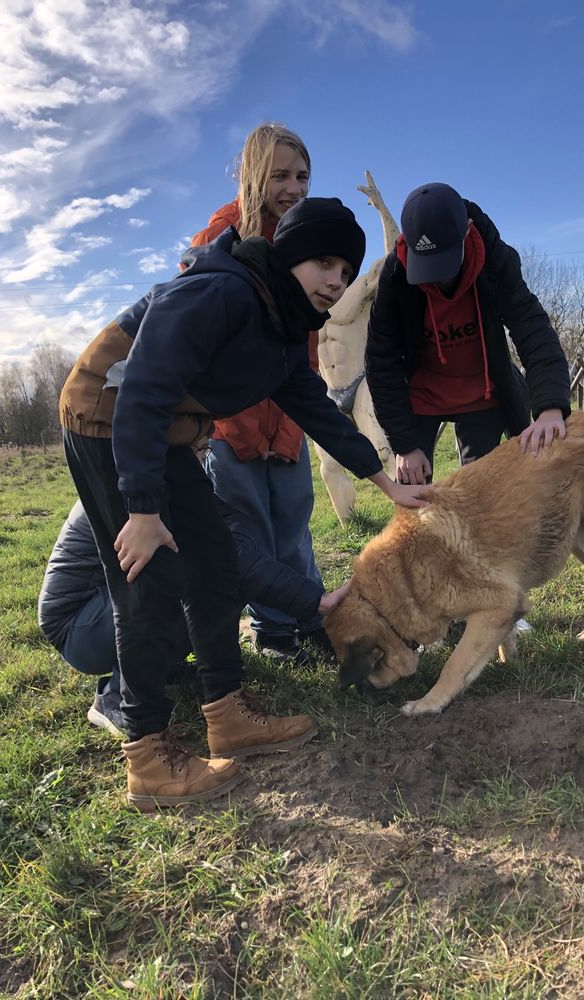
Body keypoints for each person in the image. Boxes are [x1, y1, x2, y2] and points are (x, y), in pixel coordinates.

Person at [58, 196, 427, 811]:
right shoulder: (220, 292)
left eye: (346, 269)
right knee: (146, 581)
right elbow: (143, 386)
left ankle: (227, 716)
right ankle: (147, 756)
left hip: (165, 427)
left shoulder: (283, 326)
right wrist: (143, 512)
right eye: (324, 262)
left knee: (216, 568)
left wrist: (385, 480)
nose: (336, 280)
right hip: (108, 417)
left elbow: (312, 406)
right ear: (288, 256)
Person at [191, 123, 331, 664]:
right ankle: (272, 632)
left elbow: (309, 340)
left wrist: (303, 413)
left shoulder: (309, 241)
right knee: (248, 526)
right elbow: (197, 342)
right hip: (233, 420)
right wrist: (205, 426)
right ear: (252, 175)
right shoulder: (218, 240)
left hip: (290, 414)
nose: (294, 187)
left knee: (294, 521)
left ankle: (306, 617)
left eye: (302, 175)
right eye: (280, 175)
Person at [37, 496, 346, 737]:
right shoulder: (138, 488)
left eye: (204, 449)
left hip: (101, 610)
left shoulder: (165, 473)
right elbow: (225, 552)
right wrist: (317, 601)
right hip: (79, 624)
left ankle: (163, 669)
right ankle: (116, 696)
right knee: (188, 575)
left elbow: (236, 526)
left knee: (212, 569)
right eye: (198, 449)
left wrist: (233, 545)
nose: (201, 458)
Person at [365, 182, 572, 485]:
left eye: (444, 263)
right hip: (422, 396)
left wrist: (551, 408)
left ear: (467, 232)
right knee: (411, 500)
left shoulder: (495, 260)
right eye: (427, 266)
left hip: (482, 392)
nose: (436, 277)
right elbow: (380, 361)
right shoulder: (396, 276)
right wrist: (405, 445)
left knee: (483, 495)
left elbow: (531, 327)